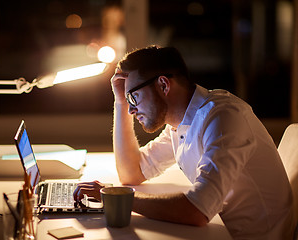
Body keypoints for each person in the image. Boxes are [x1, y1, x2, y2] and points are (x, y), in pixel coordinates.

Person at [73, 46, 296, 239]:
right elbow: (132, 172)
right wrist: (120, 102)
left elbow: (197, 211)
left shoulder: (223, 119)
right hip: (221, 230)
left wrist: (115, 198)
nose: (131, 110)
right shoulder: (180, 123)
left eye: (134, 97)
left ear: (163, 85)